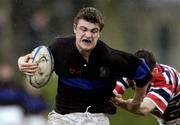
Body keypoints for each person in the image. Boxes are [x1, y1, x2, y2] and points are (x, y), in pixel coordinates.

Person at [17, 7, 152, 125]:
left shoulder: (110, 57)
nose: (88, 35)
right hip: (62, 118)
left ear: (99, 33)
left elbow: (143, 73)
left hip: (96, 118)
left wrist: (135, 102)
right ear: (75, 28)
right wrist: (21, 61)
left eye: (94, 31)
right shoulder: (60, 48)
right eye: (83, 29)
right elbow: (40, 56)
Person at [112, 49, 180, 125]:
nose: (139, 79)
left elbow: (143, 109)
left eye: (145, 76)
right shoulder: (133, 71)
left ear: (154, 71)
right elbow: (111, 92)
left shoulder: (165, 81)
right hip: (167, 118)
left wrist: (123, 103)